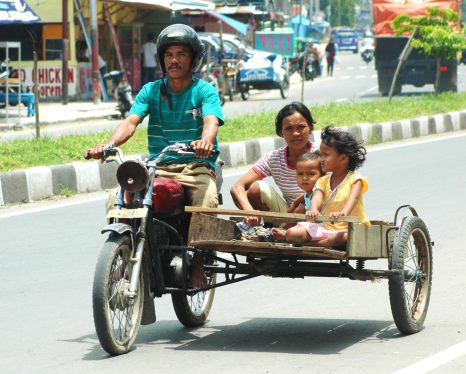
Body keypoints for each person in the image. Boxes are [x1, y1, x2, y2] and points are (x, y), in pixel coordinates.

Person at [86, 24, 223, 208]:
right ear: (161, 59)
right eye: (168, 54)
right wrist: (110, 145)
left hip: (195, 168)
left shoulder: (204, 90)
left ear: (193, 59)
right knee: (115, 199)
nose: (174, 60)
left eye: (181, 54)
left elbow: (211, 121)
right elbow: (130, 122)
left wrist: (205, 142)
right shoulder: (150, 90)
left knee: (205, 200)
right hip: (157, 168)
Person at [230, 102, 319, 227]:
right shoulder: (273, 158)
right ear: (281, 132)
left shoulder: (321, 154)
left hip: (318, 214)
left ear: (310, 128)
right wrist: (249, 211)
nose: (295, 133)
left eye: (301, 127)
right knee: (255, 189)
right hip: (289, 216)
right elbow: (237, 187)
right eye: (289, 128)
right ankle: (274, 230)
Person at [281, 126, 369, 249]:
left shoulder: (355, 179)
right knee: (293, 233)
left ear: (343, 159)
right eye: (321, 154)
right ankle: (311, 242)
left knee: (339, 238)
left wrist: (343, 213)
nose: (321, 159)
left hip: (349, 228)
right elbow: (316, 197)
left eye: (326, 155)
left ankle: (311, 245)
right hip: (326, 227)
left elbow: (353, 199)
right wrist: (313, 209)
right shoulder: (323, 180)